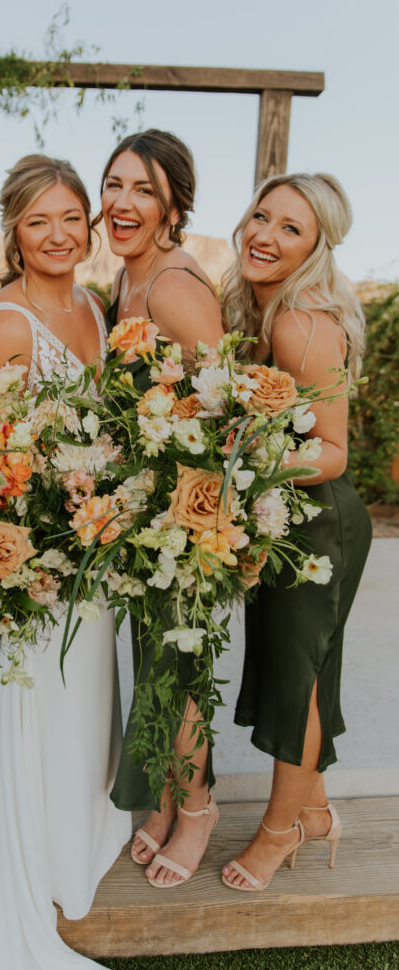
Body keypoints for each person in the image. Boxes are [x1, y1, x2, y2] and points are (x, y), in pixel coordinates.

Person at [0, 155, 131, 970]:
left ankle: (78, 836)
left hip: (96, 548)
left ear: (87, 223)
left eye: (70, 217)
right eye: (38, 220)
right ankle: (31, 860)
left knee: (87, 700)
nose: (57, 234)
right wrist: (27, 550)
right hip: (38, 563)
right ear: (13, 230)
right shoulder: (5, 325)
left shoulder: (94, 307)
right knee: (41, 708)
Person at [220, 172, 371, 891]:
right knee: (300, 676)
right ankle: (312, 814)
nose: (264, 235)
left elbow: (334, 451)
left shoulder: (296, 321)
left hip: (316, 524)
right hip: (292, 517)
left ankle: (277, 833)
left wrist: (242, 462)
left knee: (296, 686)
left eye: (289, 229)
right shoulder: (259, 308)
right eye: (261, 216)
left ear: (315, 248)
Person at [98, 129, 225, 888]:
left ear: (174, 204)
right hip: (146, 507)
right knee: (157, 660)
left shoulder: (174, 284)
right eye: (114, 184)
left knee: (182, 666)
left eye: (143, 189)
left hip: (188, 506)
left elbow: (223, 403)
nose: (122, 202)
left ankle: (197, 808)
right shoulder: (124, 281)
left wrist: (190, 511)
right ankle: (166, 800)